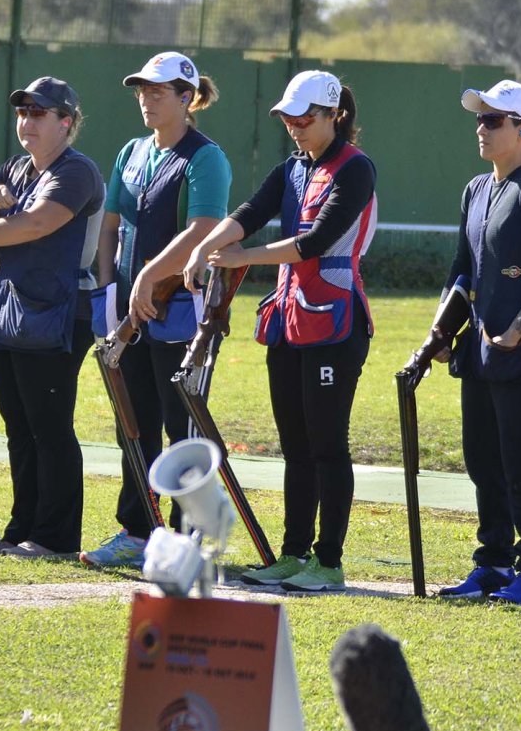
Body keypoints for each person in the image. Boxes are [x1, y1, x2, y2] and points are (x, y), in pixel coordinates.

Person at [186, 70, 376, 593]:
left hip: (336, 324)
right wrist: (205, 247)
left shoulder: (355, 168)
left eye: (304, 118)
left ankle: (328, 562)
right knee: (295, 446)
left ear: (335, 115)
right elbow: (250, 212)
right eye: (288, 118)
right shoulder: (292, 167)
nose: (294, 126)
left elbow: (314, 242)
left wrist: (241, 256)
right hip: (290, 323)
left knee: (327, 445)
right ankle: (293, 554)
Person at [82, 51, 231, 569]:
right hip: (129, 310)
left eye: (158, 90)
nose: (146, 98)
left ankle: (189, 539)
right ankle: (137, 530)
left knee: (180, 427)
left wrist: (149, 276)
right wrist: (109, 285)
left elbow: (203, 229)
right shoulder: (132, 150)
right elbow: (111, 225)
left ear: (187, 98)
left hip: (181, 310)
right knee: (134, 421)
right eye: (142, 89)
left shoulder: (205, 157)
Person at [0, 77, 104, 559]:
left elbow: (38, 222)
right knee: (18, 426)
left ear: (66, 122)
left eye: (39, 113)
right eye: (22, 112)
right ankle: (22, 529)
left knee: (48, 426)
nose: (26, 122)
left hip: (59, 313)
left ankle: (55, 538)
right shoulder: (15, 168)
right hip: (7, 310)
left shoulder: (76, 171)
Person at [431, 80, 521, 608]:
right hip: (480, 351)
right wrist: (440, 333)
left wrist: (519, 328)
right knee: (484, 461)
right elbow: (461, 269)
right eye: (479, 119)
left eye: (493, 120)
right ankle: (492, 563)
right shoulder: (474, 189)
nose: (481, 129)